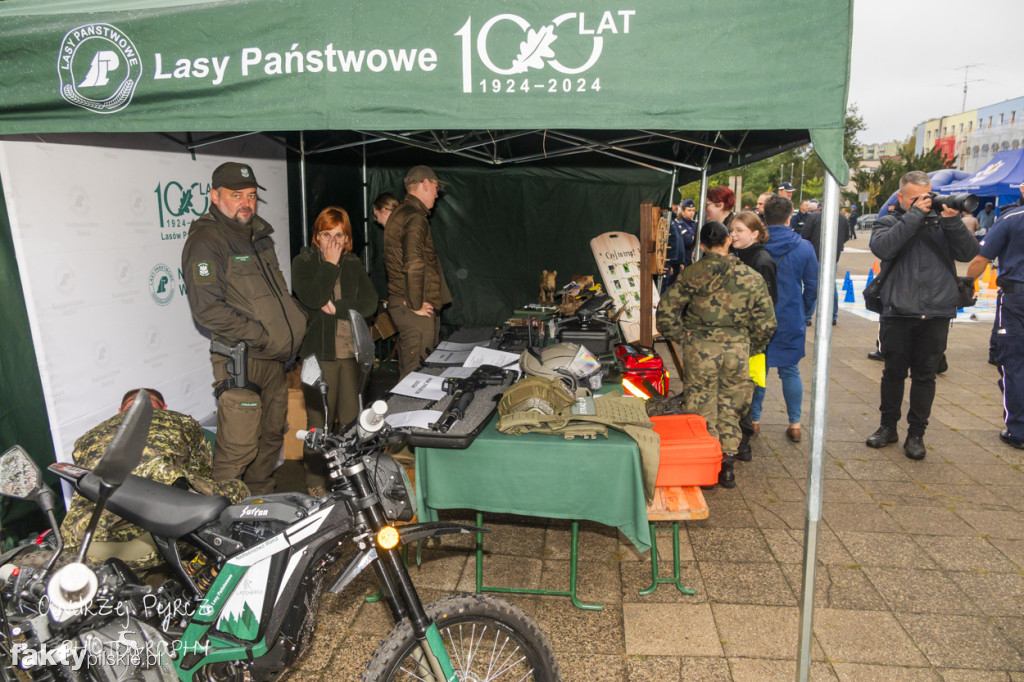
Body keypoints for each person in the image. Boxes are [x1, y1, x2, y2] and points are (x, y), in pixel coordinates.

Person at [182, 163, 307, 495]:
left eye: (250, 196)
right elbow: (207, 309)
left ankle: (256, 507)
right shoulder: (207, 240)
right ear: (215, 196)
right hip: (241, 357)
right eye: (236, 195)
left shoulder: (259, 236)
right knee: (238, 446)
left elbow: (275, 295)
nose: (245, 203)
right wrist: (262, 336)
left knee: (270, 436)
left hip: (275, 360)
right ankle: (215, 521)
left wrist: (294, 326)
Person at [60, 389, 250, 571]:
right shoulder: (180, 420)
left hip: (82, 548)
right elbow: (202, 474)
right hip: (156, 542)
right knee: (236, 490)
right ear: (163, 407)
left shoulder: (86, 438)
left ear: (120, 410)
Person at [865, 171, 978, 460]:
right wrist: (914, 215)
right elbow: (884, 247)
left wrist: (952, 220)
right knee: (893, 374)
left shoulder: (945, 224)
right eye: (916, 198)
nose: (925, 202)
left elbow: (968, 253)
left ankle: (917, 434)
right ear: (901, 198)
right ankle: (888, 427)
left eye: (927, 196)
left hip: (937, 311)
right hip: (899, 311)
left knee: (925, 376)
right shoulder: (888, 221)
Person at [656, 221, 777, 488]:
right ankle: (728, 464)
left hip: (700, 348)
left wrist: (682, 338)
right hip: (737, 349)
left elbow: (665, 313)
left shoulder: (691, 275)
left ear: (701, 245)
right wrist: (749, 345)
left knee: (700, 404)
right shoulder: (751, 277)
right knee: (731, 406)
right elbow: (767, 323)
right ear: (728, 242)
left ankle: (706, 465)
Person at [292, 207, 379, 495]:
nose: (333, 241)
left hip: (351, 354)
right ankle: (315, 484)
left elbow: (370, 303)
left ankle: (351, 482)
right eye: (326, 234)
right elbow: (314, 297)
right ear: (317, 236)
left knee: (353, 423)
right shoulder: (304, 261)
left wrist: (338, 308)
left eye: (339, 235)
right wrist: (329, 264)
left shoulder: (353, 262)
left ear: (348, 238)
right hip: (318, 355)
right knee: (319, 425)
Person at [752, 195, 818, 443]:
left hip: (759, 316)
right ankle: (795, 423)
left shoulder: (756, 246)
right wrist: (804, 311)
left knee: (759, 369)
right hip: (790, 314)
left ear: (764, 217)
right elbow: (812, 286)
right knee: (790, 370)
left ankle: (755, 420)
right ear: (790, 216)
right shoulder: (804, 247)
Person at [966, 181, 1024, 449]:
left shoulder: (1011, 218)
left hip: (1016, 298)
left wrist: (966, 284)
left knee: (1013, 362)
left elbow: (982, 259)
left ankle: (1018, 430)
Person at [383, 165, 452, 378]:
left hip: (407, 304)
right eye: (435, 186)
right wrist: (414, 304)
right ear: (424, 184)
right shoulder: (414, 217)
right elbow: (413, 263)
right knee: (417, 380)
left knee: (415, 374)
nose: (437, 193)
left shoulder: (402, 213)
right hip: (414, 308)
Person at [729, 211, 779, 461]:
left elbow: (768, 308)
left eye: (739, 230)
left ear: (755, 233)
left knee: (746, 391)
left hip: (751, 341)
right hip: (734, 338)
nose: (733, 234)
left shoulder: (761, 260)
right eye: (732, 230)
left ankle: (743, 444)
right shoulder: (737, 256)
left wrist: (755, 344)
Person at [801, 202, 851, 326]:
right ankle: (832, 315)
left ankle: (807, 316)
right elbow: (846, 236)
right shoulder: (842, 218)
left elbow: (805, 235)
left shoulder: (814, 217)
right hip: (833, 256)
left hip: (815, 254)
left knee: (813, 284)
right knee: (831, 285)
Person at [676, 199, 699, 267]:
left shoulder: (695, 224)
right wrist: (694, 237)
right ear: (683, 211)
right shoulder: (680, 224)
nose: (691, 213)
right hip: (684, 260)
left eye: (693, 210)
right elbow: (688, 241)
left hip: (692, 259)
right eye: (689, 210)